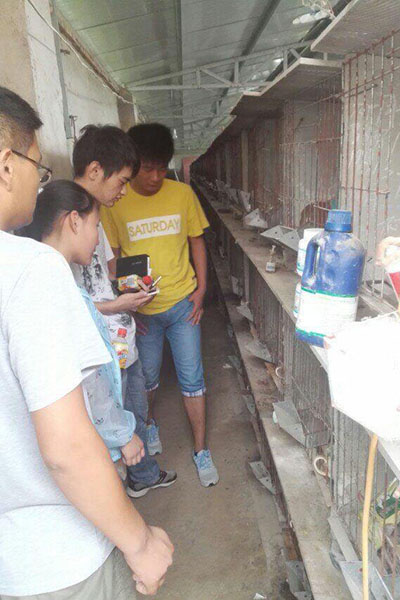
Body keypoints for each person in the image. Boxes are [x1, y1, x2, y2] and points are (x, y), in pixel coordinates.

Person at [0, 86, 173, 599]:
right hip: (55, 555)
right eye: (37, 166)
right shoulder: (32, 269)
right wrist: (140, 543)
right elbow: (67, 448)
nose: (39, 180)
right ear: (7, 166)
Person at [101, 122, 219, 487]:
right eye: (148, 168)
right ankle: (149, 424)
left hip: (184, 306)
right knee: (146, 381)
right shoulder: (117, 201)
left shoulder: (182, 194)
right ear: (133, 164)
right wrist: (128, 306)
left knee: (193, 379)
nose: (155, 176)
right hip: (144, 316)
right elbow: (112, 260)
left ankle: (201, 449)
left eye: (161, 168)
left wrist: (201, 290)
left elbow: (197, 241)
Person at [71, 125, 177, 497]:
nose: (124, 191)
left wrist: (134, 284)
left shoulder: (94, 216)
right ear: (95, 170)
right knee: (111, 428)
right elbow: (69, 302)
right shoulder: (67, 218)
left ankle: (142, 476)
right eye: (121, 181)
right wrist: (118, 304)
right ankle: (120, 495)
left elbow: (107, 271)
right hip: (100, 352)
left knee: (135, 412)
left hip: (121, 341)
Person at [21, 180, 145, 471]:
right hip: (87, 442)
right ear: (74, 221)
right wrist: (123, 435)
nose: (97, 237)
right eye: (96, 226)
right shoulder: (59, 287)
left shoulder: (39, 273)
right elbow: (91, 378)